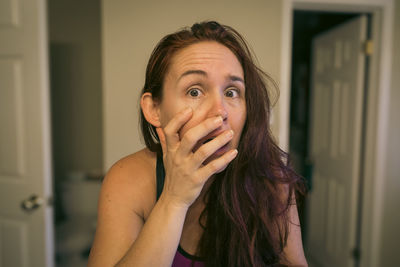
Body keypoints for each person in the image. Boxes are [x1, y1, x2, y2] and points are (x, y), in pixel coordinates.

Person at [88, 21, 307, 267]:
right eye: (194, 92)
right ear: (154, 109)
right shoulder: (129, 179)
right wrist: (174, 199)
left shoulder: (272, 180)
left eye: (232, 92)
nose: (219, 111)